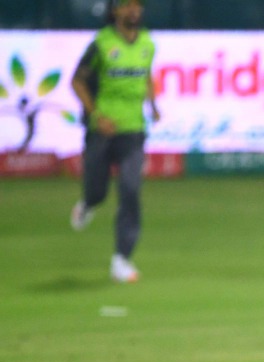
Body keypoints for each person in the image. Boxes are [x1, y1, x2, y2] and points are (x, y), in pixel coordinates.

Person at [69, 0, 160, 284]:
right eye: (127, 6)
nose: (134, 11)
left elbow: (146, 75)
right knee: (98, 191)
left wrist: (153, 104)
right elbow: (77, 81)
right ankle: (88, 203)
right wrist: (96, 114)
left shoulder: (147, 43)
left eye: (137, 5)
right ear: (115, 12)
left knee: (131, 190)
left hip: (133, 130)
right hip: (103, 130)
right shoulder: (102, 43)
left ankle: (122, 259)